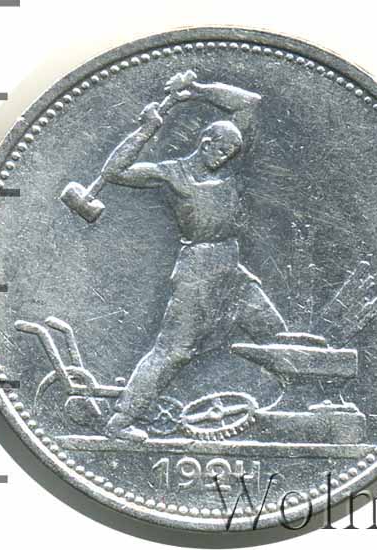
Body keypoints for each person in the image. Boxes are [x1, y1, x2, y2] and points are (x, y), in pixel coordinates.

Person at [101, 72, 287, 441]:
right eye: (220, 149)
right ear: (205, 143)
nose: (225, 157)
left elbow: (249, 102)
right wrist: (146, 129)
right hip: (197, 270)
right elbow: (113, 171)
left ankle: (288, 412)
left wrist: (197, 92)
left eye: (231, 153)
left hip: (231, 268)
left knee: (274, 333)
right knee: (174, 351)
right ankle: (121, 420)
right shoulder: (172, 174)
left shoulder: (230, 169)